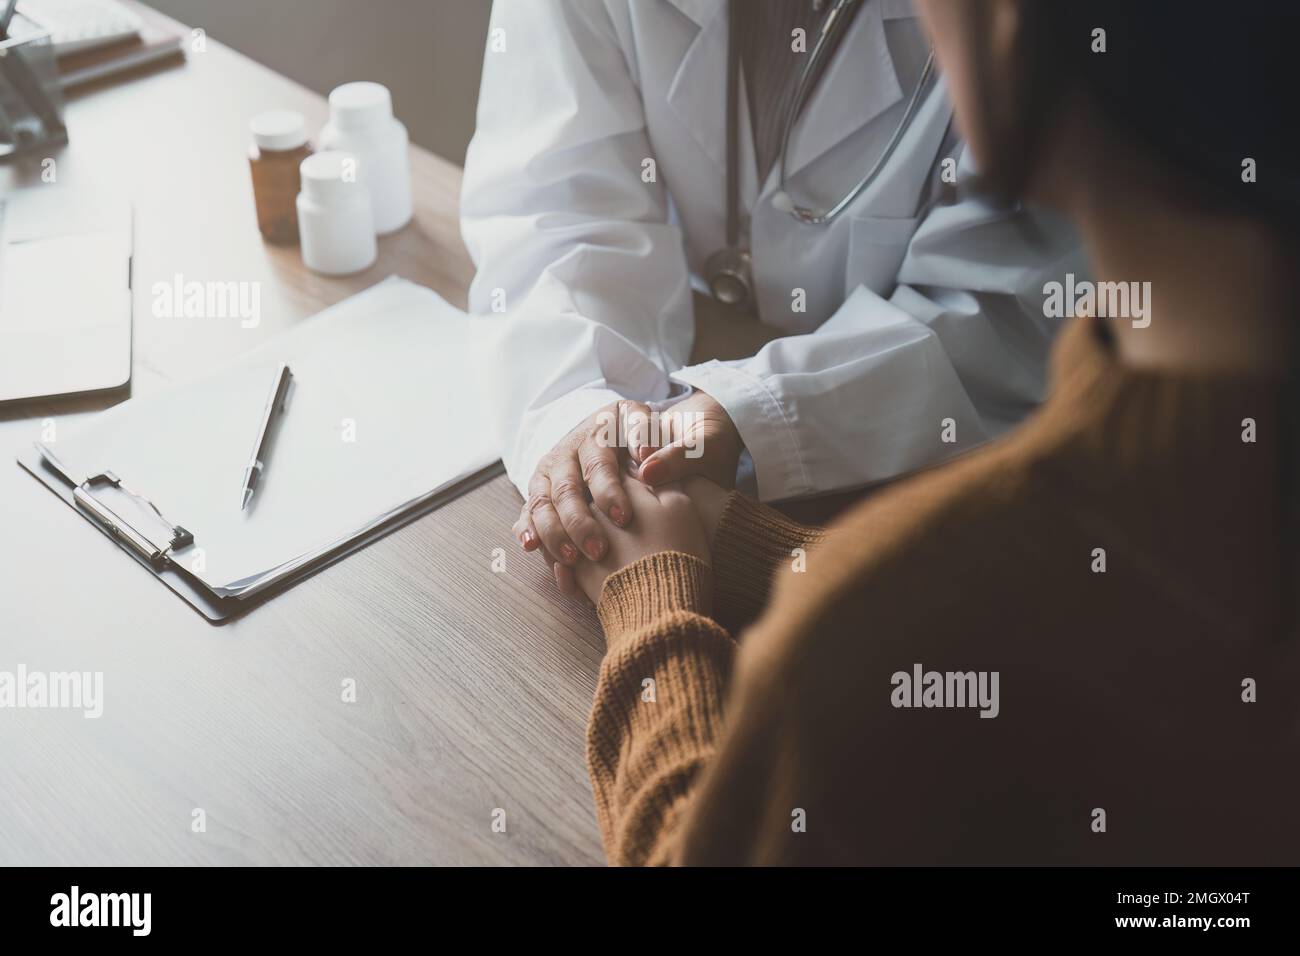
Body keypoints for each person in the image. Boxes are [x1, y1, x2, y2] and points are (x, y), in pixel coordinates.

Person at [559, 0, 1300, 864]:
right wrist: (755, 545)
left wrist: (656, 609)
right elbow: (1088, 624)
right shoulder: (1202, 505)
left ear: (1009, 31)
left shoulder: (859, 643)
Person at [461, 0, 1085, 584]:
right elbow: (555, 208)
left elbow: (1015, 308)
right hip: (698, 383)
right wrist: (586, 422)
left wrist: (750, 412)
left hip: (939, 488)